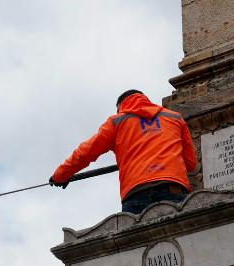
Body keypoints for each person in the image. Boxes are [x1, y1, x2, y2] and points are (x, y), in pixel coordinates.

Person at [51, 90, 198, 214]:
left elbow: (86, 152)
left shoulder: (117, 121)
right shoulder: (174, 117)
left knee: (139, 246)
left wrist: (61, 175)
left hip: (136, 193)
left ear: (121, 106)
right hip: (173, 188)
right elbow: (191, 164)